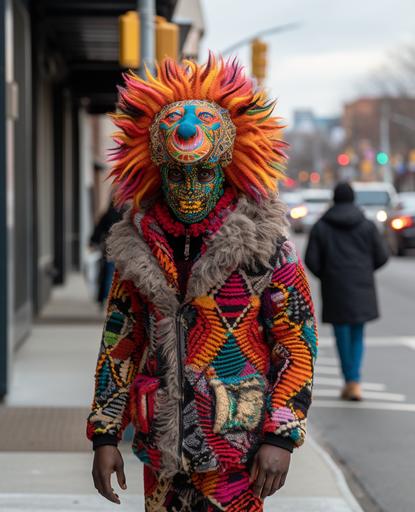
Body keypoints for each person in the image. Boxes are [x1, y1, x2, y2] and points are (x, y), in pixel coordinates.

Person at [86, 55, 317, 511]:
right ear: (157, 168)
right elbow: (120, 343)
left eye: (203, 172)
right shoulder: (137, 245)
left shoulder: (265, 244)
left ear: (227, 165)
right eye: (177, 173)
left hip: (237, 453)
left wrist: (282, 435)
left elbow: (296, 341)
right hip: (162, 454)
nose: (189, 185)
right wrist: (104, 433)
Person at [305, 182, 388, 401]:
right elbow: (382, 256)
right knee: (358, 334)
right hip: (362, 286)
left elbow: (311, 260)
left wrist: (327, 274)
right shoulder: (367, 225)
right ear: (353, 199)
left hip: (334, 287)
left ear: (334, 199)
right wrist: (364, 270)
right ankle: (354, 381)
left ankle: (350, 380)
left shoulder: (321, 226)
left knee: (341, 335)